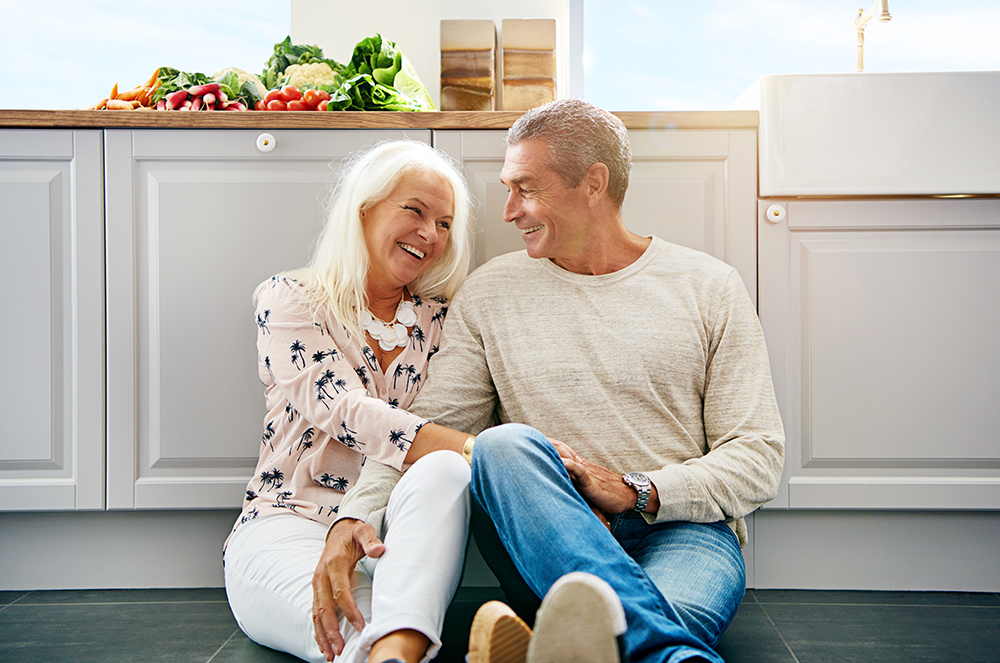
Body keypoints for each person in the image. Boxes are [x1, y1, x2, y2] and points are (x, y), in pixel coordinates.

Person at [324, 98, 785, 663]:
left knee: (624, 641)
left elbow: (758, 453)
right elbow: (429, 429)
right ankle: (630, 646)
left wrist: (634, 489)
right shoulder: (492, 294)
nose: (508, 210)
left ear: (594, 183)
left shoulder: (708, 286)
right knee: (501, 445)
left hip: (684, 531)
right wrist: (357, 512)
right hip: (544, 534)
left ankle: (578, 648)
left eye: (526, 188)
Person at [223, 139, 480, 663]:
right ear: (363, 208)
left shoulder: (445, 319)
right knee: (366, 627)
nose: (430, 234)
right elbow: (345, 411)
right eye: (415, 210)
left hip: (398, 530)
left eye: (445, 223)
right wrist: (486, 449)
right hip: (291, 522)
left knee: (446, 472)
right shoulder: (290, 298)